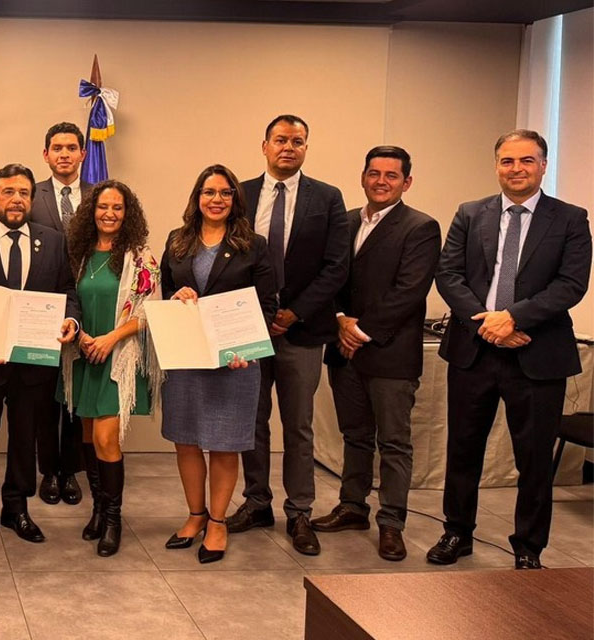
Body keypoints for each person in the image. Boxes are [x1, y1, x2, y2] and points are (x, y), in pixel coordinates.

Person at [430, 129, 591, 570]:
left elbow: (571, 285)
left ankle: (528, 547)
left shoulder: (571, 219)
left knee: (534, 460)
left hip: (537, 357)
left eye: (526, 160)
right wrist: (489, 325)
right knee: (463, 450)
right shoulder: (470, 213)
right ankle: (457, 533)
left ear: (543, 165)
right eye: (507, 161)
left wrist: (513, 319)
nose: (516, 169)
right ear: (496, 165)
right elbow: (449, 275)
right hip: (473, 353)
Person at [311, 146, 440, 562]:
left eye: (391, 175)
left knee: (395, 442)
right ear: (363, 176)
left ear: (407, 182)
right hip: (345, 351)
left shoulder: (421, 227)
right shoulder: (344, 222)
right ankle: (352, 507)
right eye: (374, 173)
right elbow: (329, 279)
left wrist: (360, 330)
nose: (381, 181)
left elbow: (410, 291)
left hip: (390, 354)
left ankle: (392, 523)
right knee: (355, 436)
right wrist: (340, 320)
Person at [229, 114, 349, 556]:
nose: (289, 147)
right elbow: (228, 260)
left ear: (305, 148)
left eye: (298, 141)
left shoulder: (328, 198)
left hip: (302, 331)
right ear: (264, 145)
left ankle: (299, 510)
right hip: (248, 329)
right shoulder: (240, 194)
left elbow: (337, 267)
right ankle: (257, 502)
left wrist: (294, 313)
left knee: (298, 425)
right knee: (252, 423)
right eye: (281, 140)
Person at [0, 163, 81, 545]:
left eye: (23, 192)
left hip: (32, 365)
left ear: (32, 198)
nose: (16, 199)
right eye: (7, 192)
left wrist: (71, 320)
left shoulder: (53, 241)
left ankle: (17, 507)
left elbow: (67, 291)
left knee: (25, 439)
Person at [161, 165, 278, 564]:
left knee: (225, 444)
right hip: (187, 358)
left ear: (235, 200)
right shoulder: (177, 242)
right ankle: (194, 516)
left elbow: (267, 305)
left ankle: (217, 522)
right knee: (187, 440)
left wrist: (248, 346)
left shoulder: (254, 245)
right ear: (197, 197)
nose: (216, 200)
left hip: (236, 362)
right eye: (209, 192)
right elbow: (165, 292)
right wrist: (176, 298)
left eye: (225, 193)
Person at [57, 180, 160, 556]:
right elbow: (69, 300)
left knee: (106, 439)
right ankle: (98, 509)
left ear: (127, 213)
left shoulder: (140, 256)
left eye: (118, 207)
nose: (110, 213)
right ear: (91, 211)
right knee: (87, 434)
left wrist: (111, 338)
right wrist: (82, 336)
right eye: (103, 206)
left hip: (118, 356)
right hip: (83, 354)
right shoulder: (79, 253)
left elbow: (149, 312)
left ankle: (114, 519)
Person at [31, 122, 93, 507]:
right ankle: (48, 471)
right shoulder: (29, 194)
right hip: (42, 306)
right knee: (44, 395)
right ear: (46, 154)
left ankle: (71, 470)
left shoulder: (98, 195)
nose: (65, 154)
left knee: (76, 395)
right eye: (57, 148)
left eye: (72, 148)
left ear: (83, 154)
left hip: (88, 305)